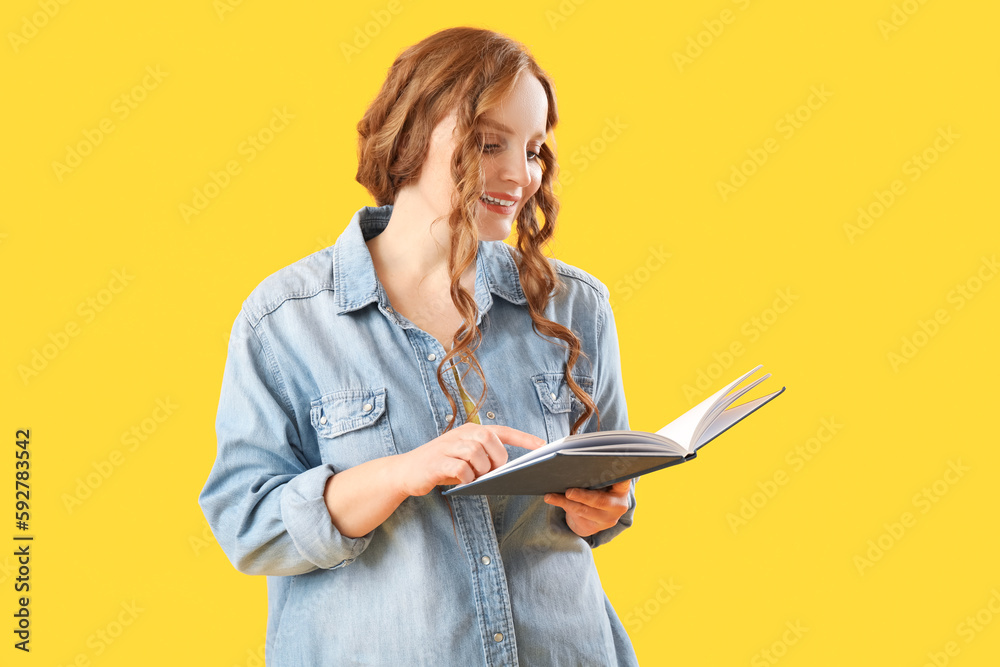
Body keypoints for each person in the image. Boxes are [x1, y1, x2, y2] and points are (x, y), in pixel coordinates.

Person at [199, 26, 639, 666]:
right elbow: (248, 526)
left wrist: (605, 506)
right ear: (411, 135)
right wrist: (400, 473)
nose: (522, 176)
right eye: (492, 143)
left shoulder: (574, 306)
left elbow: (606, 509)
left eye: (537, 150)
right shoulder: (287, 320)